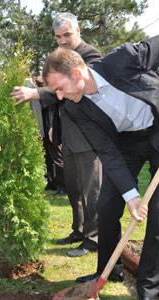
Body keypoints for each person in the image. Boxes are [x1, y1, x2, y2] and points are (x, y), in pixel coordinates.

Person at [42, 32, 159, 300]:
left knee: (157, 212)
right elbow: (106, 150)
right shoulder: (75, 109)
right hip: (126, 144)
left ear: (77, 73)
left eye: (59, 87)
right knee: (107, 205)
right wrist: (130, 195)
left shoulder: (123, 60)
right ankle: (109, 269)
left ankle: (147, 291)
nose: (58, 96)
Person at [11, 12, 102, 257]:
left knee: (91, 189)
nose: (62, 41)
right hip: (69, 134)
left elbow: (67, 89)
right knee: (73, 187)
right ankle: (79, 229)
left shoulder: (91, 56)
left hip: (89, 136)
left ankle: (93, 238)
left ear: (78, 31)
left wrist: (35, 94)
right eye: (58, 36)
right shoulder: (60, 59)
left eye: (67, 35)